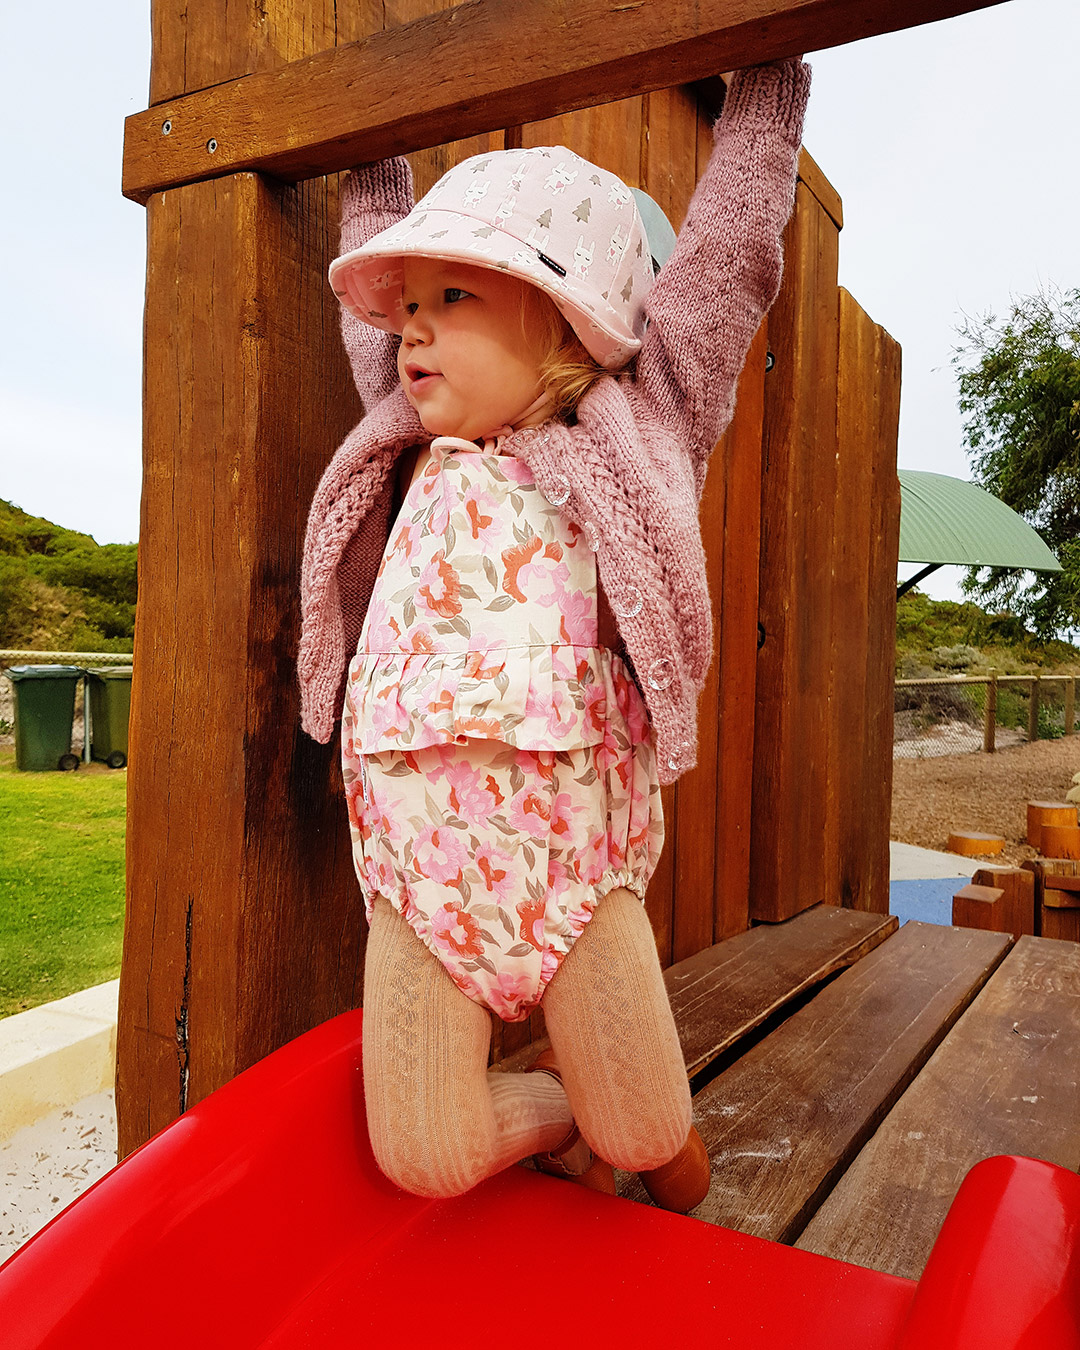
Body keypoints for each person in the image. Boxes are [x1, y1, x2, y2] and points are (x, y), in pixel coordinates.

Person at [299, 57, 811, 1208]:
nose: (413, 334)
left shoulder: (634, 427)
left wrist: (768, 94)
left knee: (649, 1143)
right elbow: (377, 221)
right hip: (417, 881)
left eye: (455, 299)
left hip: (572, 876)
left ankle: (639, 1142)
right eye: (409, 306)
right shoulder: (403, 439)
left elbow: (726, 267)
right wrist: (373, 128)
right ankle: (561, 1115)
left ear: (566, 319)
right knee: (422, 1158)